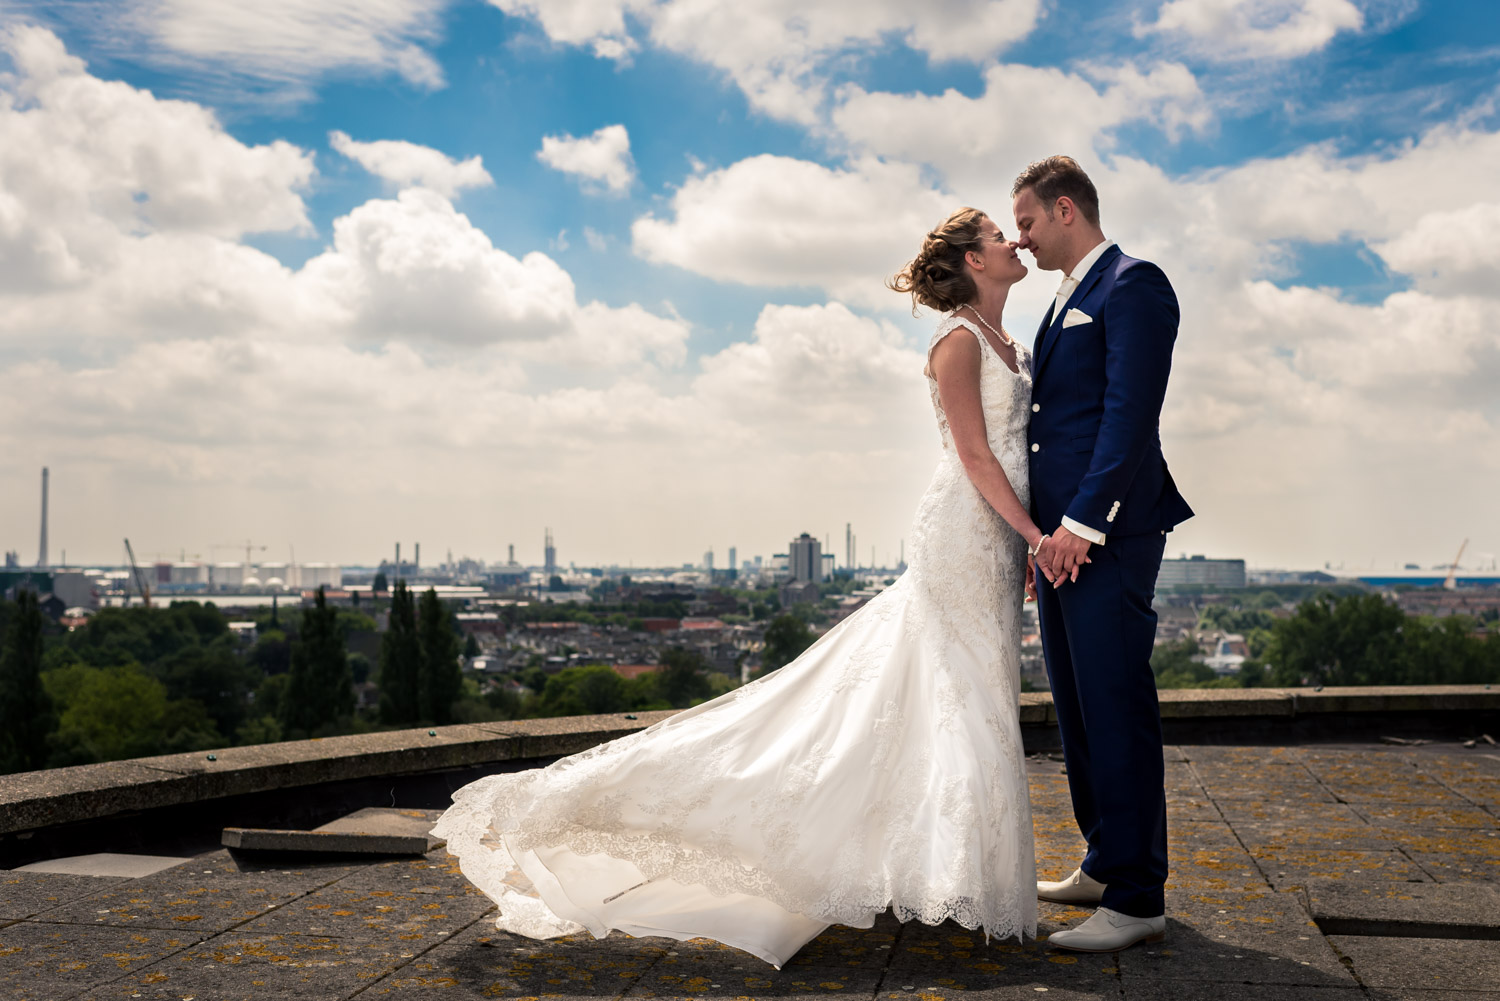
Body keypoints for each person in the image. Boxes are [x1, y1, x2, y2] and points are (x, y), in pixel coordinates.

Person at [432, 206, 1045, 968]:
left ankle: (956, 875)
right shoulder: (957, 341)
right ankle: (943, 875)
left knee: (967, 690)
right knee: (949, 689)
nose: (1013, 242)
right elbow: (977, 458)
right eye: (998, 234)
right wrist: (1035, 536)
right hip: (966, 528)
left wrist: (1020, 544)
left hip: (995, 538)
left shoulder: (1012, 343)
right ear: (974, 261)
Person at [1011, 156, 1194, 953]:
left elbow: (1128, 417)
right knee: (1079, 707)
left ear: (1064, 210)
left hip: (1105, 538)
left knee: (1117, 707)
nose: (1020, 239)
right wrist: (1041, 537)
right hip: (1059, 545)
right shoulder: (1064, 299)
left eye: (1025, 223)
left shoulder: (1132, 284)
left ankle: (1136, 896)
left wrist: (1081, 524)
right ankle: (1102, 857)